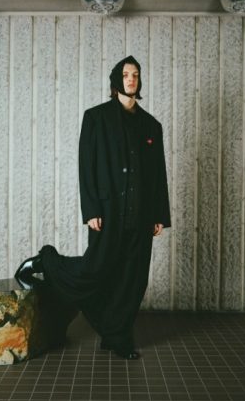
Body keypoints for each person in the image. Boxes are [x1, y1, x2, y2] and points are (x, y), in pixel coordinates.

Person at [15, 55, 171, 359]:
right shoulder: (96, 118)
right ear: (116, 80)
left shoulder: (152, 125)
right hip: (108, 215)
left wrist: (159, 216)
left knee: (132, 281)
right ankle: (46, 262)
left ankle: (118, 338)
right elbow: (86, 167)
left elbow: (158, 173)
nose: (131, 79)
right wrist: (91, 211)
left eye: (135, 74)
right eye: (126, 74)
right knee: (95, 270)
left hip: (141, 218)